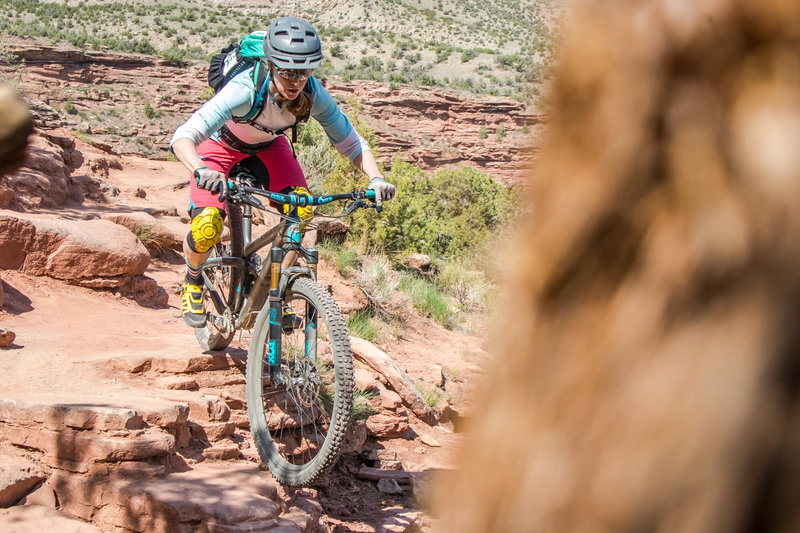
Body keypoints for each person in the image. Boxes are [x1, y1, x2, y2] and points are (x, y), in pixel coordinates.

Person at [170, 16, 396, 328]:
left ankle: (274, 292)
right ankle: (193, 281)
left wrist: (375, 177)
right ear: (271, 64)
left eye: (303, 73)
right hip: (219, 147)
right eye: (288, 71)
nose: (295, 80)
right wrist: (199, 169)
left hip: (269, 149)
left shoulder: (312, 93)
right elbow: (183, 136)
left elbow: (351, 142)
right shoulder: (244, 89)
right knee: (208, 225)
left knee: (301, 211)